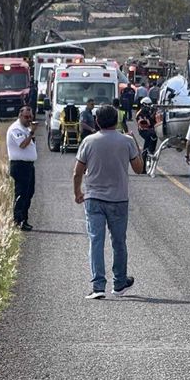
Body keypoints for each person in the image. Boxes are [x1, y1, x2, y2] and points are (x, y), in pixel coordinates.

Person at [73, 104, 143, 299]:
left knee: (96, 241)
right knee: (118, 242)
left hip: (94, 197)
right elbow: (139, 169)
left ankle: (98, 286)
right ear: (116, 120)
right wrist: (136, 144)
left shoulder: (89, 141)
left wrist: (77, 192)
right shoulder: (126, 141)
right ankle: (119, 283)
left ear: (97, 121)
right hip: (118, 198)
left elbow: (78, 171)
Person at [6, 106, 38, 231]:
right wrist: (32, 132)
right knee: (21, 194)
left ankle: (24, 219)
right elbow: (23, 145)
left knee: (29, 193)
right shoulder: (16, 129)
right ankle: (18, 220)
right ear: (20, 115)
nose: (29, 119)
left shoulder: (25, 129)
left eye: (30, 117)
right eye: (26, 117)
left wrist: (30, 132)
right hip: (20, 165)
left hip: (28, 165)